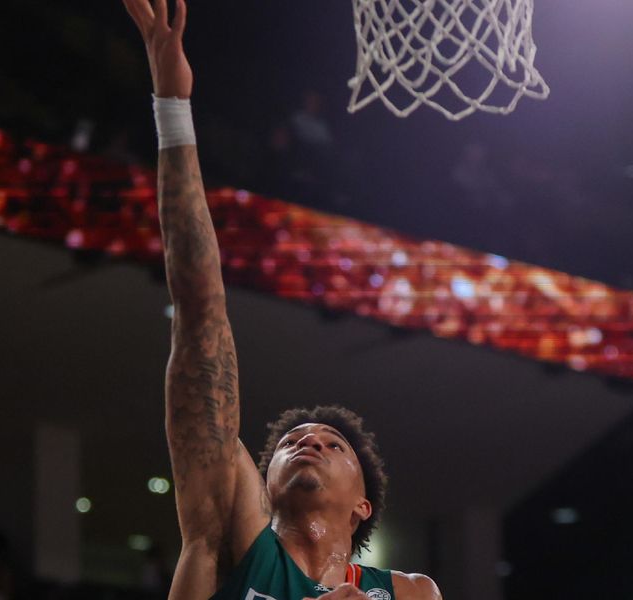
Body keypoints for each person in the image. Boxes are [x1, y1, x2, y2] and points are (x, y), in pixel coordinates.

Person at [121, 1, 444, 599]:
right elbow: (200, 311)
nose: (308, 441)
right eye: (295, 441)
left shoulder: (409, 593)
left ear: (362, 506)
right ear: (262, 485)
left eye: (332, 444)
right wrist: (172, 108)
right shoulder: (229, 542)